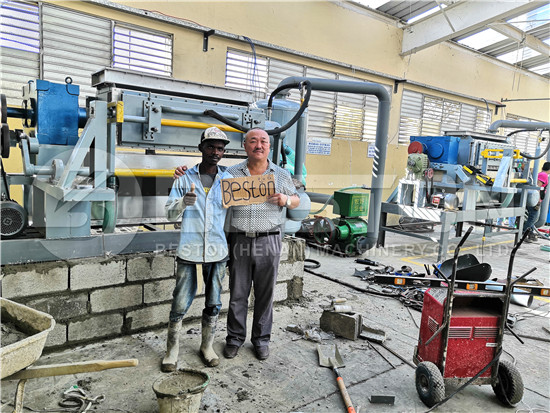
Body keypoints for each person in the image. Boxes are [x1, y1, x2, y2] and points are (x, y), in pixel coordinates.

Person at [223, 128, 300, 361]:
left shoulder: (281, 174)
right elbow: (218, 197)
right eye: (253, 141)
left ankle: (261, 340)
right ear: (245, 146)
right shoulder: (231, 173)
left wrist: (286, 200)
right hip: (240, 239)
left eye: (263, 141)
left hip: (269, 239)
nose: (259, 145)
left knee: (265, 293)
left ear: (269, 146)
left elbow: (296, 200)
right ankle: (235, 339)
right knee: (238, 292)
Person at [162, 127, 231, 372]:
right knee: (180, 303)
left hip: (217, 250)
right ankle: (172, 350)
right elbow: (168, 213)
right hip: (189, 250)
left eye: (220, 148)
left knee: (214, 302)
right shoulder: (184, 177)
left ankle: (206, 346)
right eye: (211, 146)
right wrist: (183, 202)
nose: (215, 152)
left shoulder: (229, 180)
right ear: (201, 147)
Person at [524, 161, 550, 243]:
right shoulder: (544, 175)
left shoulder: (541, 174)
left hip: (534, 198)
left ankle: (530, 233)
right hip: (534, 199)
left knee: (532, 218)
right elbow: (537, 187)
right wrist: (537, 200)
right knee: (533, 218)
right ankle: (523, 233)